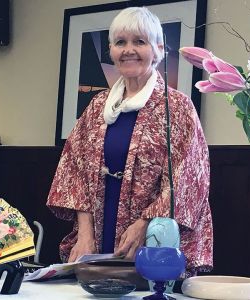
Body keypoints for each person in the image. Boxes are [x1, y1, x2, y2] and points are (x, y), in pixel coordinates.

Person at [47, 6, 213, 276]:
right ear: (111, 50)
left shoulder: (177, 107)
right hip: (97, 235)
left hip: (151, 240)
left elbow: (188, 180)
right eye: (120, 42)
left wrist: (144, 224)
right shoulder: (97, 106)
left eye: (139, 41)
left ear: (158, 49)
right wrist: (85, 235)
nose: (128, 50)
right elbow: (73, 172)